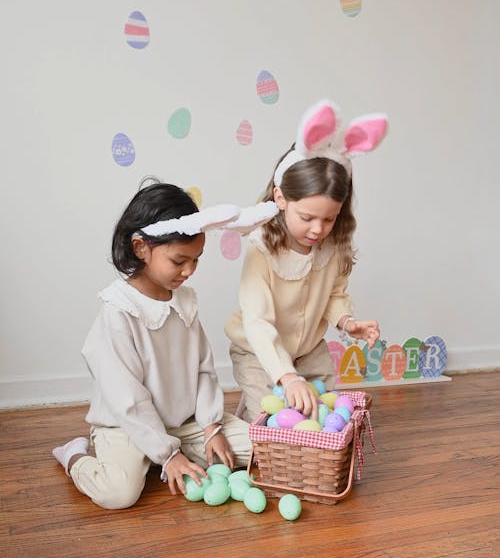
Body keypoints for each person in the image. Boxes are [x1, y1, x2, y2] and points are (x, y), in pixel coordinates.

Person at [52, 180, 277, 509]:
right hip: (126, 426)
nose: (189, 271)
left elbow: (203, 370)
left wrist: (212, 426)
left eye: (196, 260)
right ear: (141, 247)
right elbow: (127, 400)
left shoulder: (184, 302)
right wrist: (167, 454)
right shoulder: (118, 311)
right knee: (118, 493)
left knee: (258, 448)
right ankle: (75, 456)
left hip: (185, 422)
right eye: (178, 260)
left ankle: (176, 451)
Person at [225, 99, 388, 423]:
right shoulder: (262, 249)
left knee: (323, 411)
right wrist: (287, 376)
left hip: (310, 350)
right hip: (260, 351)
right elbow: (258, 322)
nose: (318, 229)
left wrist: (346, 321)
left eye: (329, 219)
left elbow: (333, 294)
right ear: (281, 198)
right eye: (307, 217)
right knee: (273, 416)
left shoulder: (332, 245)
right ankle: (251, 419)